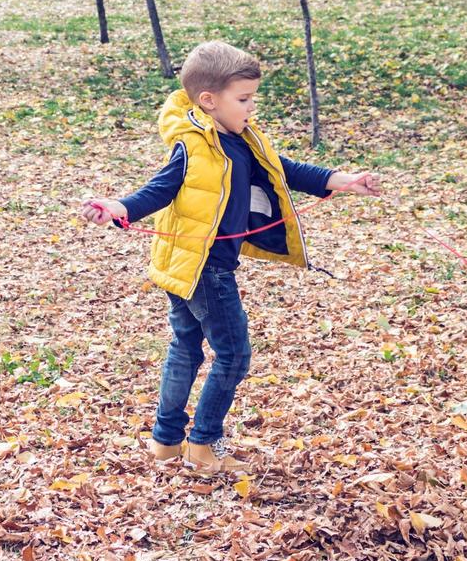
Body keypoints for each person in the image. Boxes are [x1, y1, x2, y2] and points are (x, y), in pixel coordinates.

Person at [80, 41, 381, 475]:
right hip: (204, 267)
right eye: (243, 99)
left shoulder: (241, 139)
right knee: (234, 355)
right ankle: (202, 445)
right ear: (209, 101)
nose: (251, 107)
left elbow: (285, 169)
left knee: (185, 347)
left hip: (189, 264)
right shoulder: (194, 148)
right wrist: (120, 208)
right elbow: (159, 189)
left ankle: (166, 442)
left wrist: (344, 180)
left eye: (252, 98)